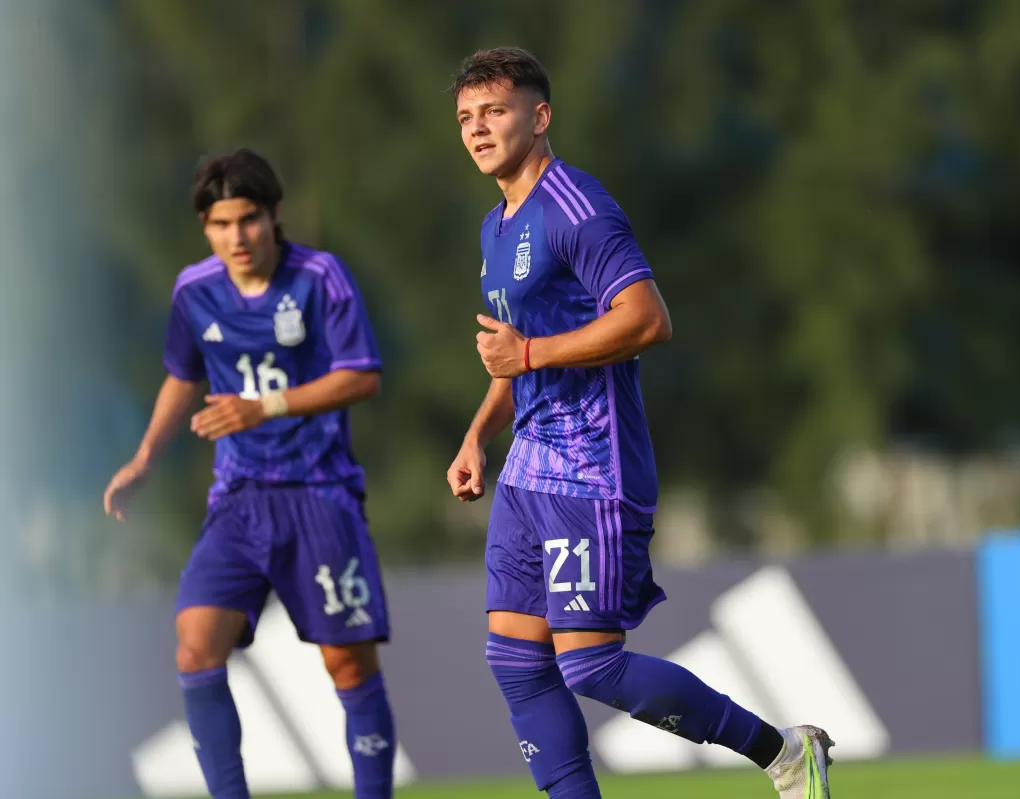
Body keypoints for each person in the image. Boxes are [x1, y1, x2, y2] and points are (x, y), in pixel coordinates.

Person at [446, 48, 835, 799]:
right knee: (516, 660)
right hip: (528, 467)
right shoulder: (495, 228)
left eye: (495, 111)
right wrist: (477, 436)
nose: (479, 129)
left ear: (540, 115)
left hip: (591, 466)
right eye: (466, 117)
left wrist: (525, 351)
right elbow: (512, 359)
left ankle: (784, 752)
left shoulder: (577, 205)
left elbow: (648, 318)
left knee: (590, 664)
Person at [104, 149, 396, 799]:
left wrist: (263, 405)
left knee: (348, 664)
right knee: (194, 646)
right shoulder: (194, 291)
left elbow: (363, 375)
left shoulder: (321, 278)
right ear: (206, 227)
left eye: (248, 220)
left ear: (274, 216)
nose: (236, 237)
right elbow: (184, 376)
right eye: (220, 223)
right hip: (238, 497)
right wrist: (146, 457)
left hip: (320, 494)